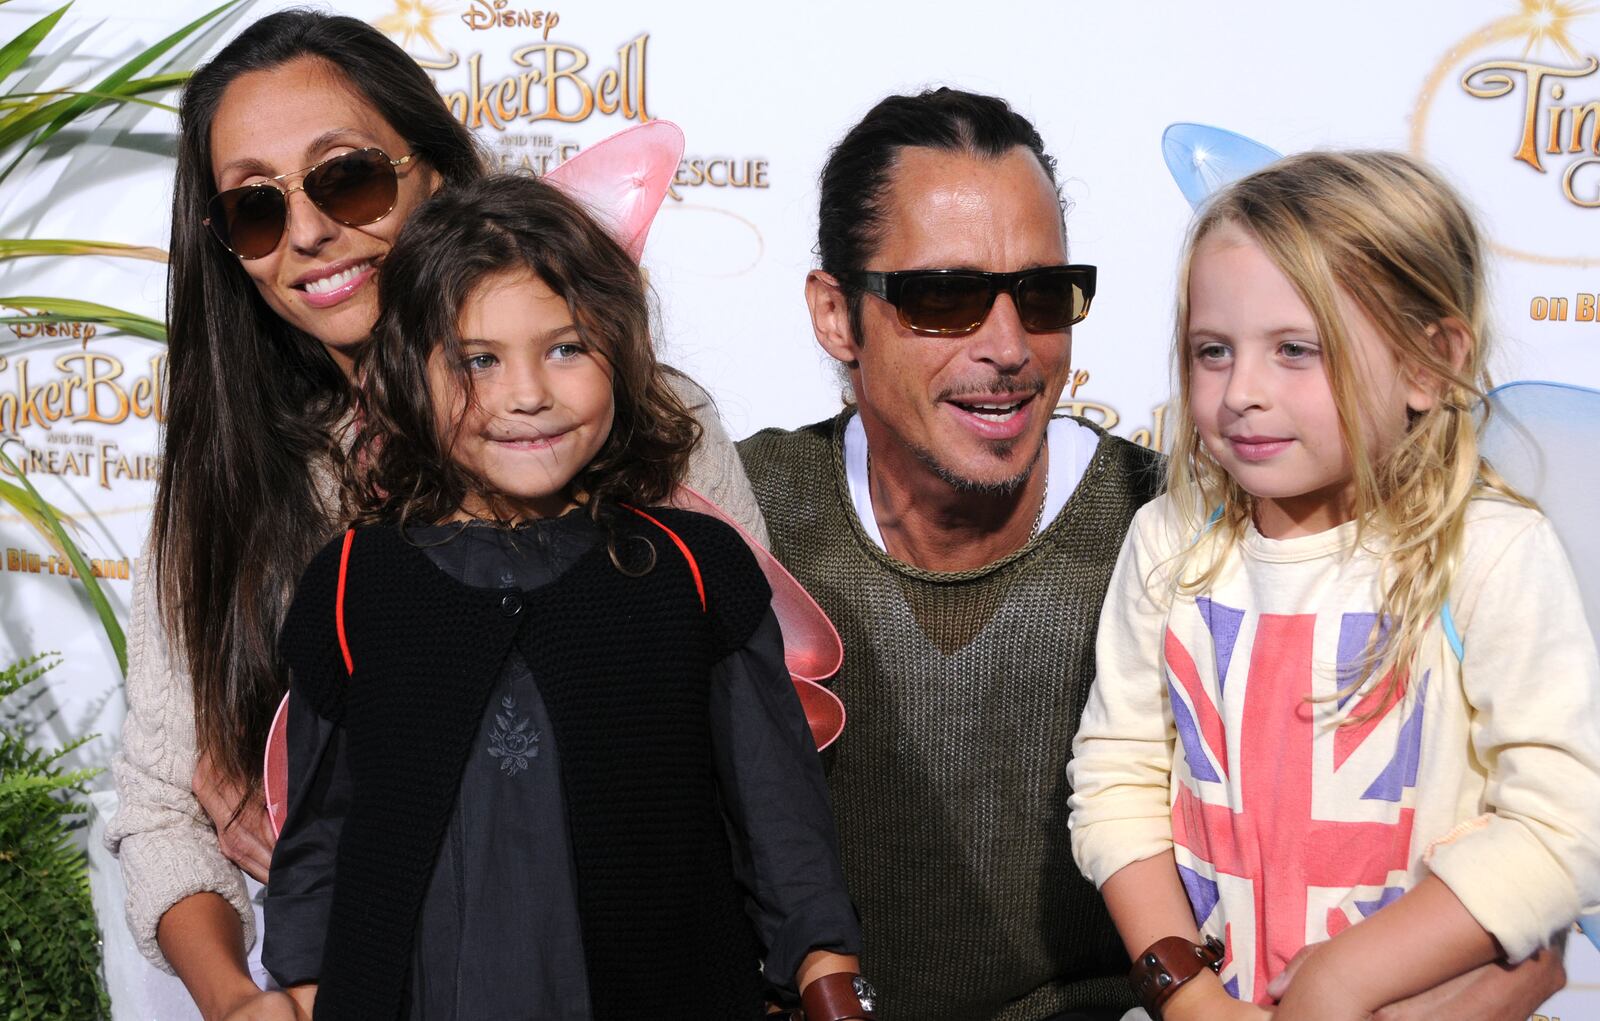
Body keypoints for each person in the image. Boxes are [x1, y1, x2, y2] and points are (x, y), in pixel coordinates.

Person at [103, 13, 764, 1020]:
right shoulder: (221, 485)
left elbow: (762, 727)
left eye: (346, 178)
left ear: (439, 172)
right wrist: (238, 998)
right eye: (254, 209)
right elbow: (160, 807)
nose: (310, 232)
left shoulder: (644, 422)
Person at [260, 174, 863, 1021]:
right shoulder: (353, 582)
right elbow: (318, 833)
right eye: (478, 359)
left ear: (620, 349)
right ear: (409, 371)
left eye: (566, 347)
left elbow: (780, 818)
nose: (527, 394)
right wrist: (307, 987)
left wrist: (829, 979)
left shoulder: (696, 569)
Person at [1067, 150, 1600, 1021]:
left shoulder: (1489, 553)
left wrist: (1342, 981)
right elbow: (1117, 775)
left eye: (1295, 350)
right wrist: (1188, 993)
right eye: (1213, 350)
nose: (1242, 391)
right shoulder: (1167, 543)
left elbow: (1563, 824)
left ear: (1429, 365)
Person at [739, 87, 1161, 1021]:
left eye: (1043, 295)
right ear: (836, 315)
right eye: (944, 298)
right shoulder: (739, 517)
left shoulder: (1170, 525)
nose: (1008, 346)